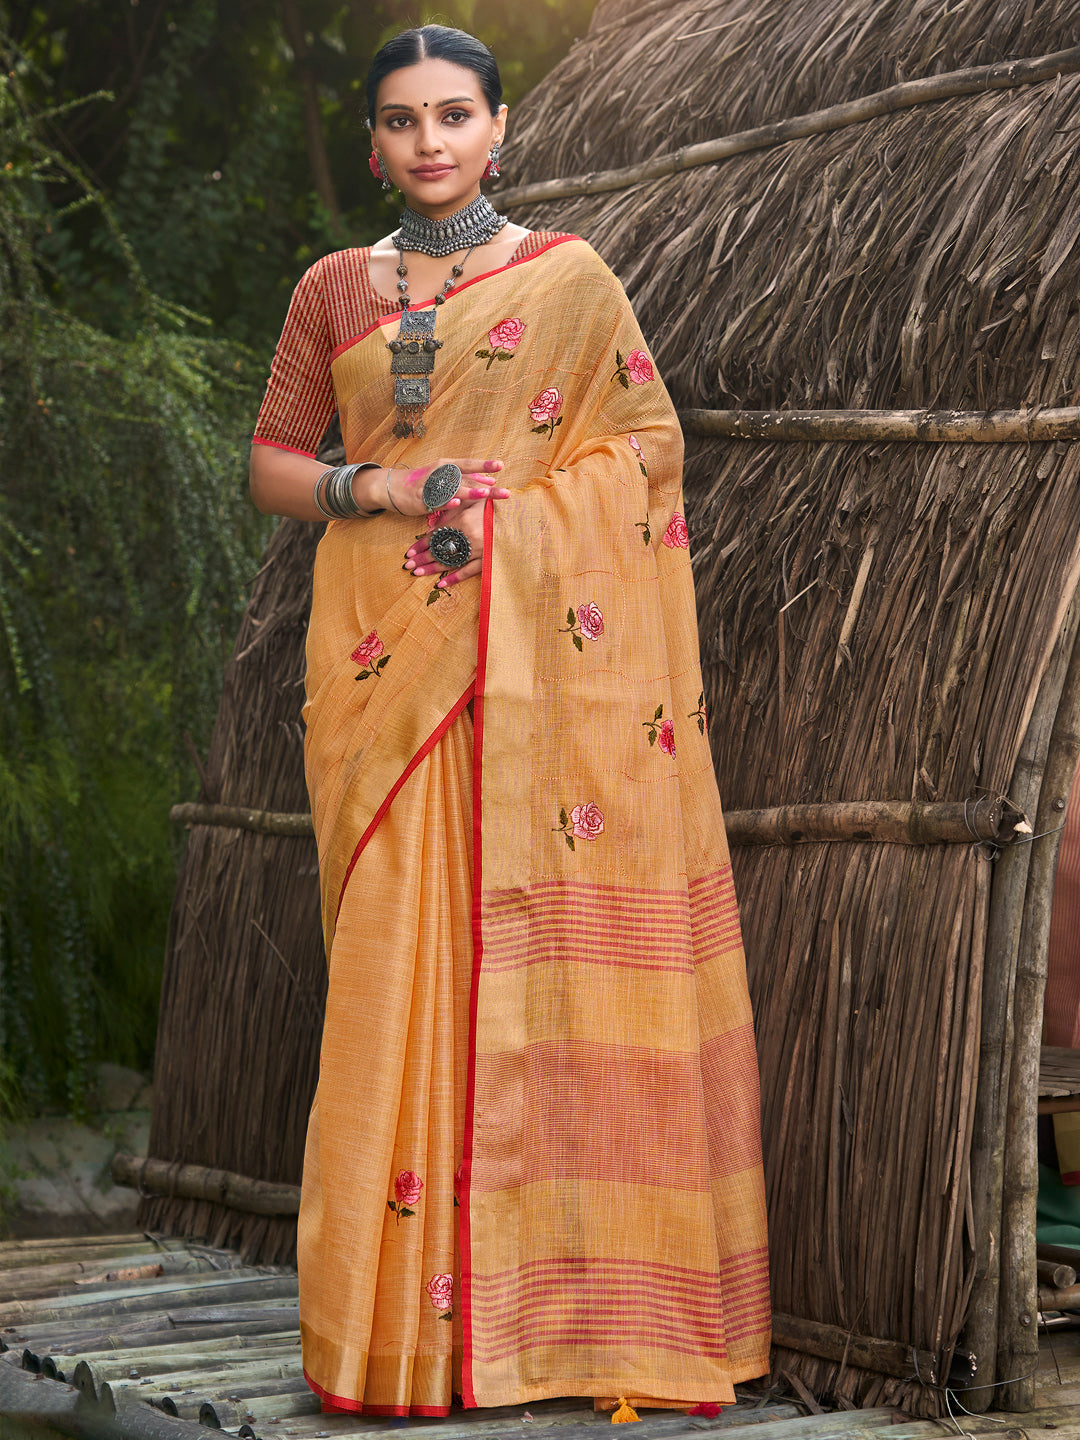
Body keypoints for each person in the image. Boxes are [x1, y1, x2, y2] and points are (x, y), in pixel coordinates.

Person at [249, 23, 770, 1419]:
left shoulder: (569, 281)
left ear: (498, 131)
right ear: (373, 142)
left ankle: (580, 1325)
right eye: (404, 119)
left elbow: (647, 451)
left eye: (455, 115)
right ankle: (398, 1340)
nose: (429, 140)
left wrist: (523, 523)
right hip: (382, 659)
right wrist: (387, 495)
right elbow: (275, 461)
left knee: (551, 959)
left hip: (541, 666)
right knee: (390, 975)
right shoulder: (328, 293)